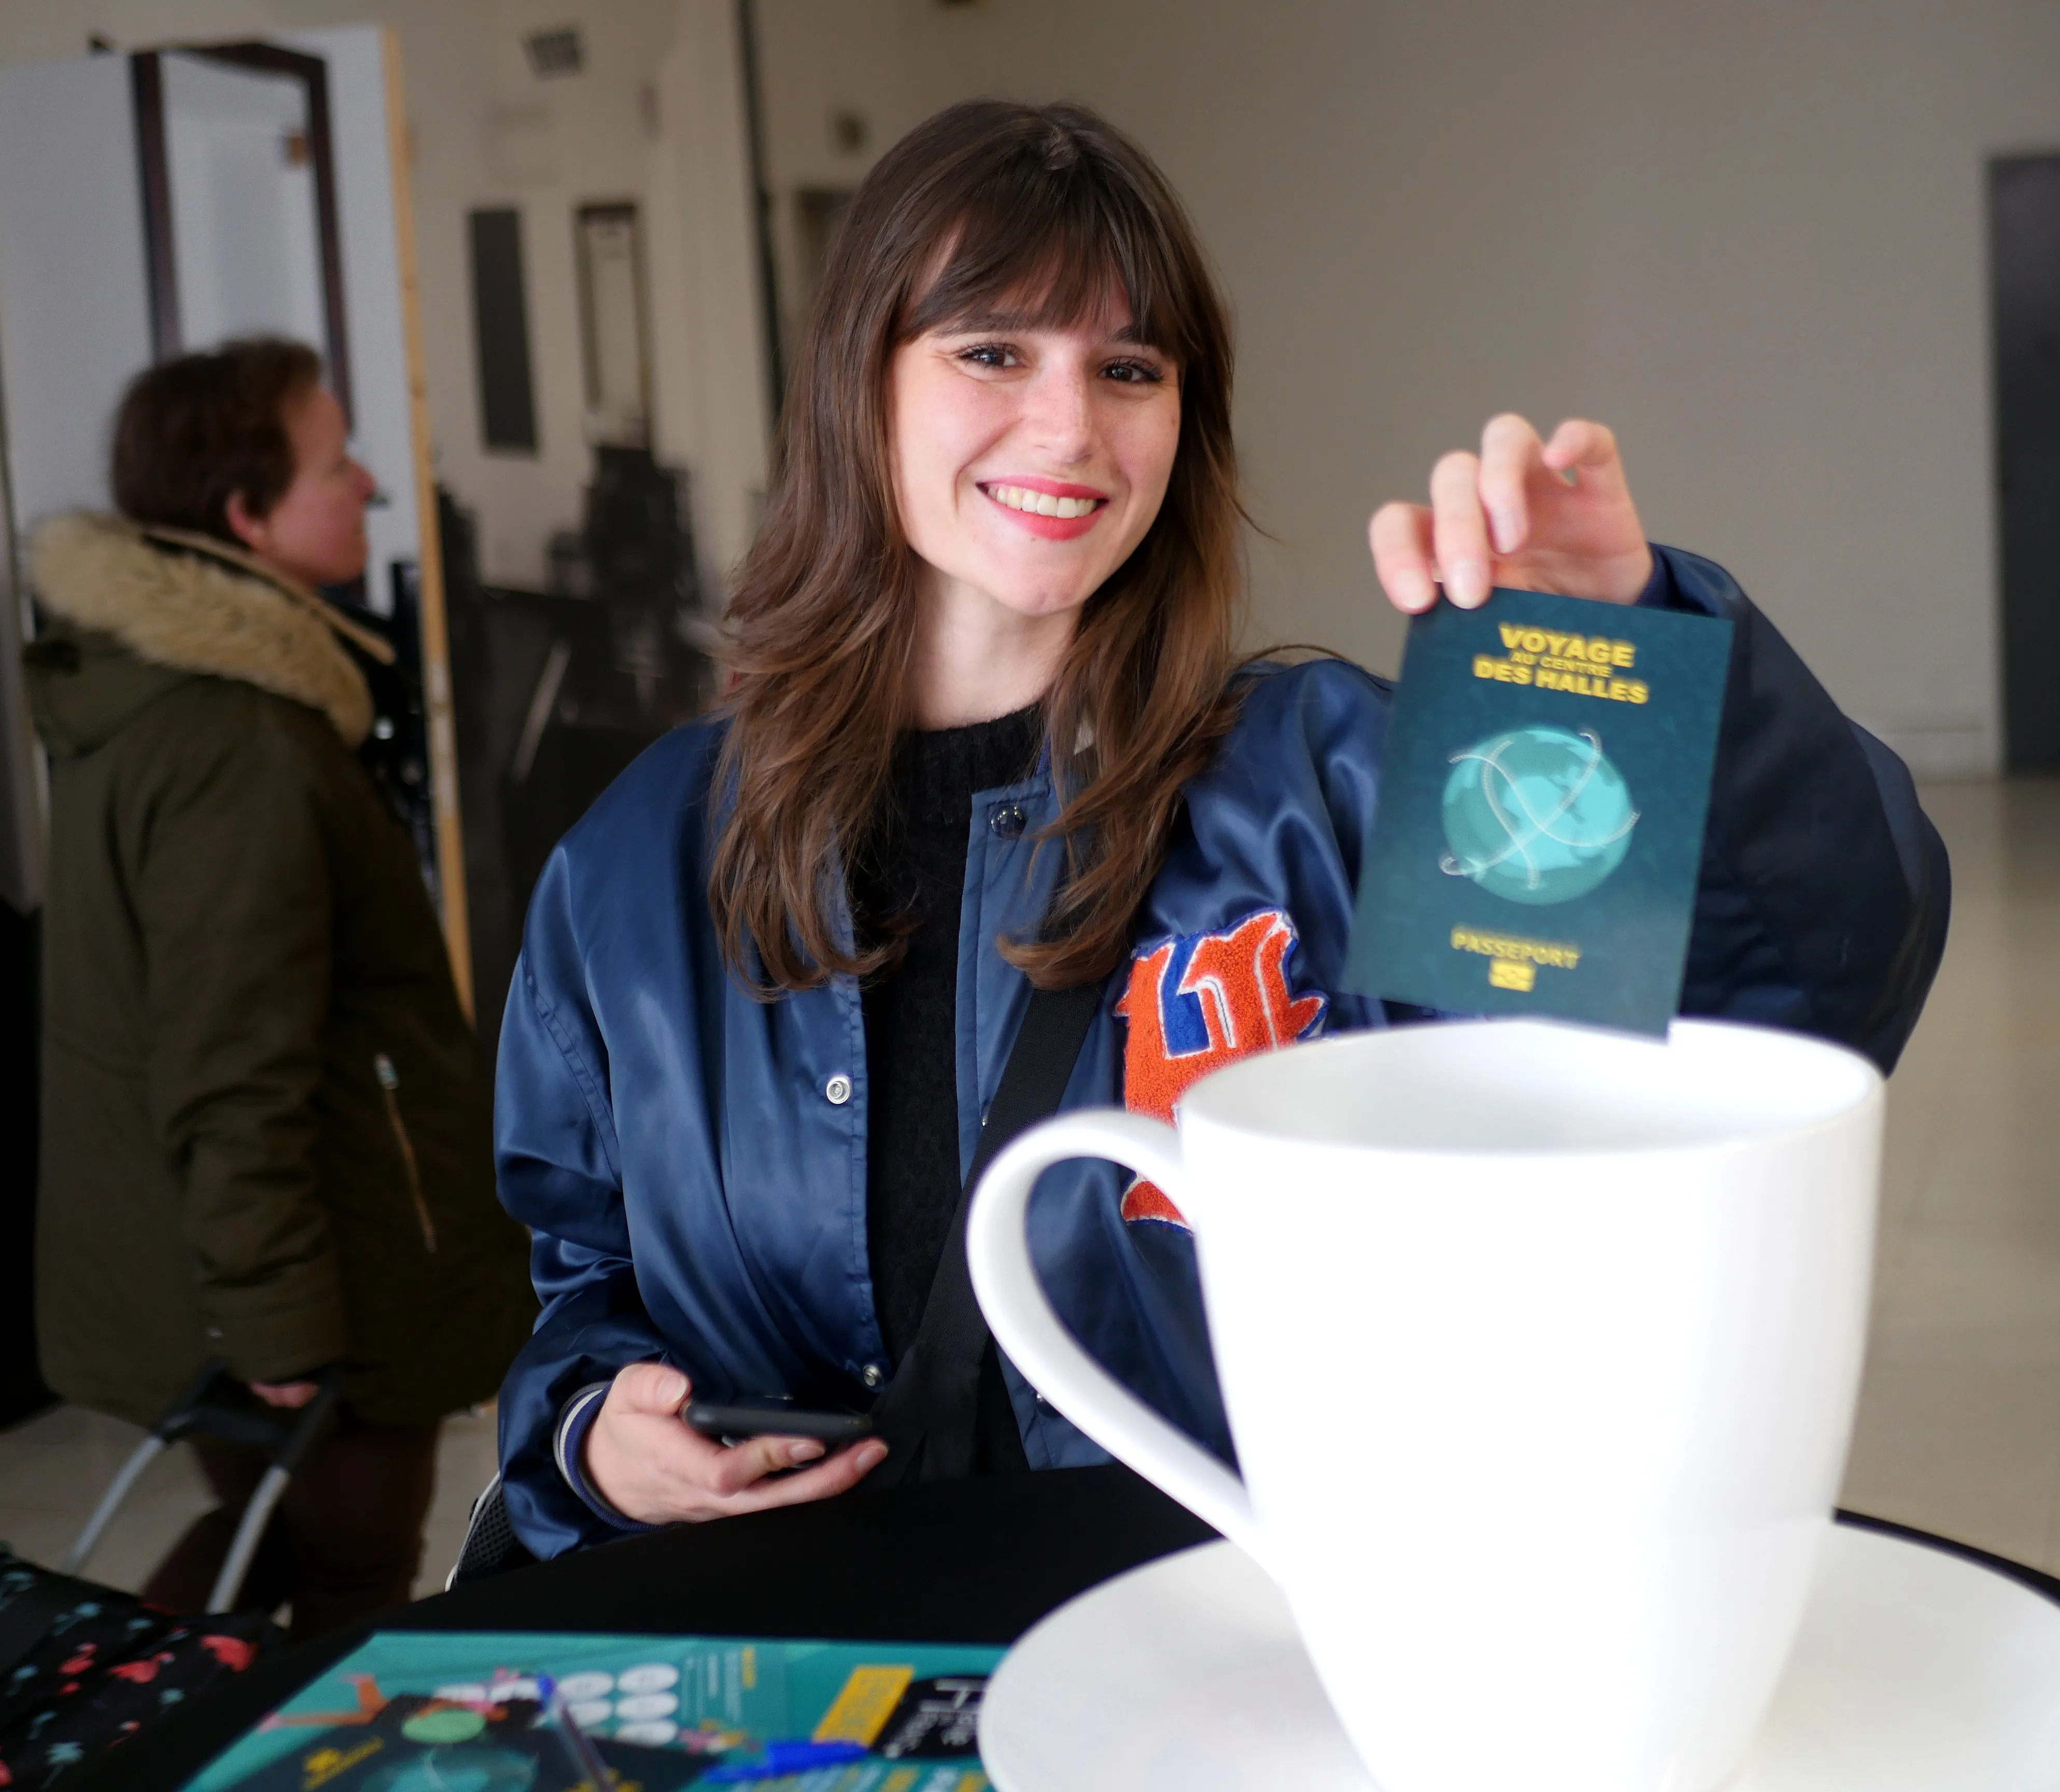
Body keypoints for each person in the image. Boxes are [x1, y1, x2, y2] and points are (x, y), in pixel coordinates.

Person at [495, 100, 1950, 1557]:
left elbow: (1783, 1017)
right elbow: (586, 1277)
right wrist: (591, 1434)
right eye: (993, 350)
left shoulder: (1325, 791)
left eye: (1129, 367)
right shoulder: (644, 861)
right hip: (818, 1689)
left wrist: (1627, 664)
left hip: (1233, 1666)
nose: (1070, 427)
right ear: (853, 381)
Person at [26, 338, 536, 1636]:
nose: (369, 483)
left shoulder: (180, 704)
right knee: (346, 1573)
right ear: (247, 517)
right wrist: (281, 1332)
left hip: (229, 1264)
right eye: (335, 460)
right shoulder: (238, 744)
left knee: (265, 1550)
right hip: (314, 1279)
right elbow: (229, 1069)